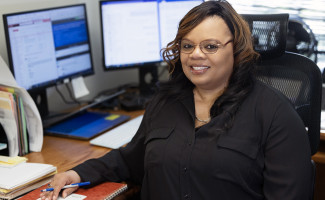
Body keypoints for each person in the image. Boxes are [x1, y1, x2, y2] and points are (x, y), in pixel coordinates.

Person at [41, 1, 312, 200]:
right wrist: (75, 174)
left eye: (210, 46)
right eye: (187, 45)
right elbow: (130, 160)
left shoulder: (276, 115)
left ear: (237, 50)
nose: (196, 55)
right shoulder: (165, 101)